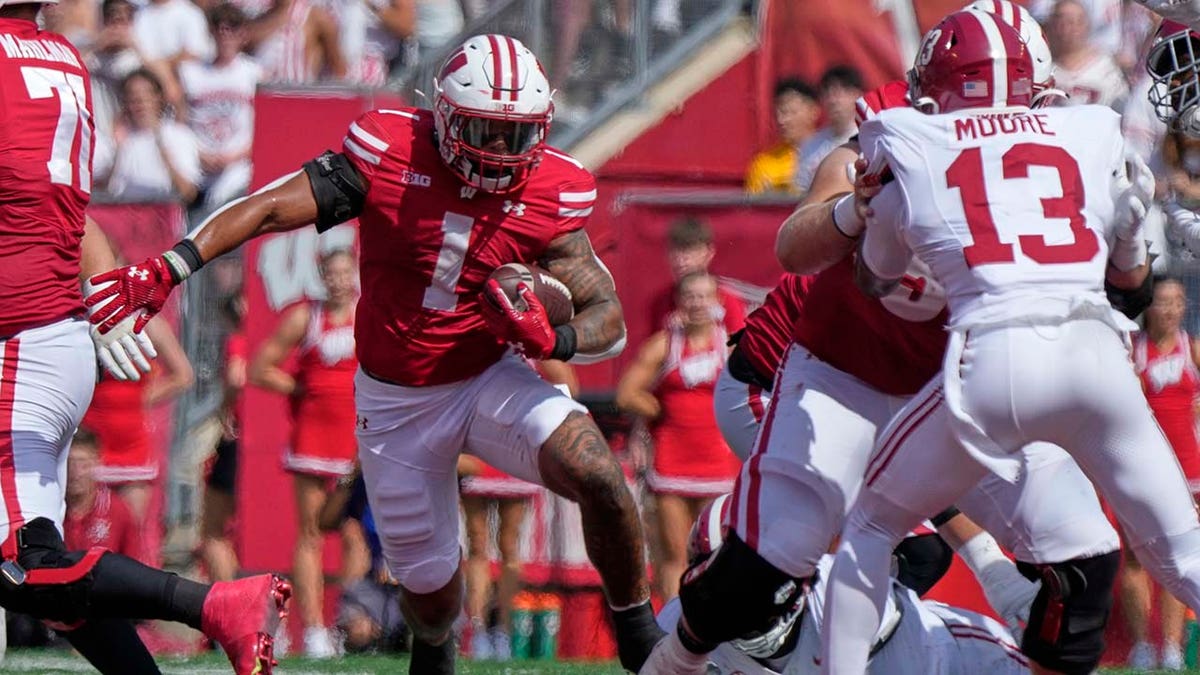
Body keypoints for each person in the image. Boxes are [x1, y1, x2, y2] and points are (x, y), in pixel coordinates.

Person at [83, 33, 664, 675]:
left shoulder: (553, 188)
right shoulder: (391, 151)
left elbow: (605, 314)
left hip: (486, 377)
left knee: (600, 475)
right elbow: (273, 206)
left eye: (517, 135)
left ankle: (641, 638)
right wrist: (174, 263)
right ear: (444, 116)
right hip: (397, 402)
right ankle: (433, 655)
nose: (500, 151)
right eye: (484, 130)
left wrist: (558, 341)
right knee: (433, 601)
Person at [645, 4, 1133, 675]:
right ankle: (700, 635)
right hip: (809, 375)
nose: (1011, 121)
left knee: (1082, 565)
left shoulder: (1049, 161)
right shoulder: (889, 139)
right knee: (782, 555)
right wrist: (856, 209)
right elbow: (798, 240)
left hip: (936, 388)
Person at [818, 9, 1200, 674]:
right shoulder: (1092, 126)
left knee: (870, 528)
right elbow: (1132, 274)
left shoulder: (904, 135)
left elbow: (876, 277)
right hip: (1094, 355)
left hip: (991, 359)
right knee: (1184, 550)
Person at [0, 2, 290, 674]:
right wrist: (103, 295)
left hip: (18, 344)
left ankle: (214, 602)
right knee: (46, 573)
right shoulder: (63, 59)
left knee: (20, 565)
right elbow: (66, 215)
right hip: (54, 336)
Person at [654, 495, 1030, 675]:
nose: (738, 602)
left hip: (960, 659)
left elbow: (927, 551)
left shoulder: (845, 597)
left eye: (751, 587)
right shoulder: (676, 625)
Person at [249, 248, 367, 658]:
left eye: (344, 272)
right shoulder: (306, 316)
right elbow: (260, 367)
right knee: (311, 533)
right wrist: (300, 389)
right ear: (321, 277)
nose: (338, 280)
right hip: (313, 438)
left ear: (355, 274)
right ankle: (314, 629)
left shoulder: (367, 313)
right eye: (330, 273)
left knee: (354, 534)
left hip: (355, 439)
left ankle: (348, 622)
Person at [617, 272, 740, 601]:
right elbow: (626, 393)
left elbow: (756, 392)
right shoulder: (664, 343)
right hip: (672, 461)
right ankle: (672, 628)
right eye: (691, 296)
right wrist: (658, 410)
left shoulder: (732, 343)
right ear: (680, 302)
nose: (697, 304)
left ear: (717, 302)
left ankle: (715, 632)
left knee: (716, 551)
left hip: (719, 463)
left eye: (704, 296)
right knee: (674, 554)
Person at [1124, 276, 1200, 669]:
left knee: (1178, 554)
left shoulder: (1193, 348)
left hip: (1188, 470)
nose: (1171, 310)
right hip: (1142, 467)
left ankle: (1171, 646)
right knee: (1136, 557)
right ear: (1148, 306)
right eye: (1163, 302)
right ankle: (1141, 646)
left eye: (1178, 302)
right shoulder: (1131, 351)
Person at [82, 313, 193, 561]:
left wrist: (138, 400)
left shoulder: (148, 322)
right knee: (79, 529)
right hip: (87, 446)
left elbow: (183, 375)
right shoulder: (80, 319)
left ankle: (130, 595)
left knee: (130, 531)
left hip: (130, 446)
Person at [179, 3, 262, 212]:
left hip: (239, 169)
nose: (225, 33)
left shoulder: (254, 73)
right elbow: (179, 121)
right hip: (199, 170)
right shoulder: (191, 73)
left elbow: (266, 125)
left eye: (232, 27)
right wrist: (197, 154)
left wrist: (236, 155)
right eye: (219, 27)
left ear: (243, 33)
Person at [98, 68, 202, 204]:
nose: (140, 102)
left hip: (164, 212)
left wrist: (165, 156)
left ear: (158, 97)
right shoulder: (118, 140)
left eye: (146, 95)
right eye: (132, 97)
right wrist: (117, 153)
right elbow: (103, 192)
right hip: (125, 214)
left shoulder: (179, 135)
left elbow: (189, 192)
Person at [198, 291, 246, 584]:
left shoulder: (240, 339)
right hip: (268, 443)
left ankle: (229, 601)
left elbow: (237, 377)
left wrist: (225, 408)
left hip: (239, 439)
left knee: (213, 530)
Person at [645, 217, 746, 337]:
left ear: (709, 253)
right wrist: (671, 335)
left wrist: (704, 328)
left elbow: (741, 349)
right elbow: (653, 352)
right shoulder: (661, 302)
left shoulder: (727, 300)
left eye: (689, 249)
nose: (680, 258)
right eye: (675, 249)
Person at [63, 428, 139, 559]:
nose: (75, 473)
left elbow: (134, 562)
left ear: (97, 463)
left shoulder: (116, 511)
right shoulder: (52, 509)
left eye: (83, 465)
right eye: (69, 464)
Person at [1045, 0, 1129, 109]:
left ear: (1086, 25)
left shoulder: (1108, 68)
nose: (1067, 28)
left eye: (1074, 21)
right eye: (1060, 21)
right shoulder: (1042, 69)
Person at [794, 65, 863, 193]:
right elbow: (801, 189)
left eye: (842, 91)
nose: (833, 100)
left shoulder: (868, 140)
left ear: (858, 95)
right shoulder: (811, 145)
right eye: (828, 92)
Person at [744, 78, 820, 195]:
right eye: (778, 113)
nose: (782, 120)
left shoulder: (829, 152)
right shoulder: (764, 163)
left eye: (790, 112)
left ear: (813, 112)